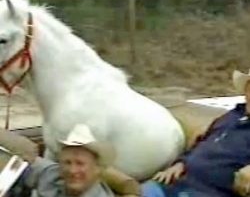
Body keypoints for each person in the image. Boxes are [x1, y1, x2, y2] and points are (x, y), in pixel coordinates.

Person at [142, 69, 250, 197]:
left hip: (210, 192)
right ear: (245, 90)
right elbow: (203, 142)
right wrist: (181, 163)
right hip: (178, 180)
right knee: (138, 191)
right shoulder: (232, 115)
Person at [8, 124, 118, 197]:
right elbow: (26, 162)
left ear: (97, 169)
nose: (72, 170)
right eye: (67, 162)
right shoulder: (52, 174)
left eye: (80, 164)